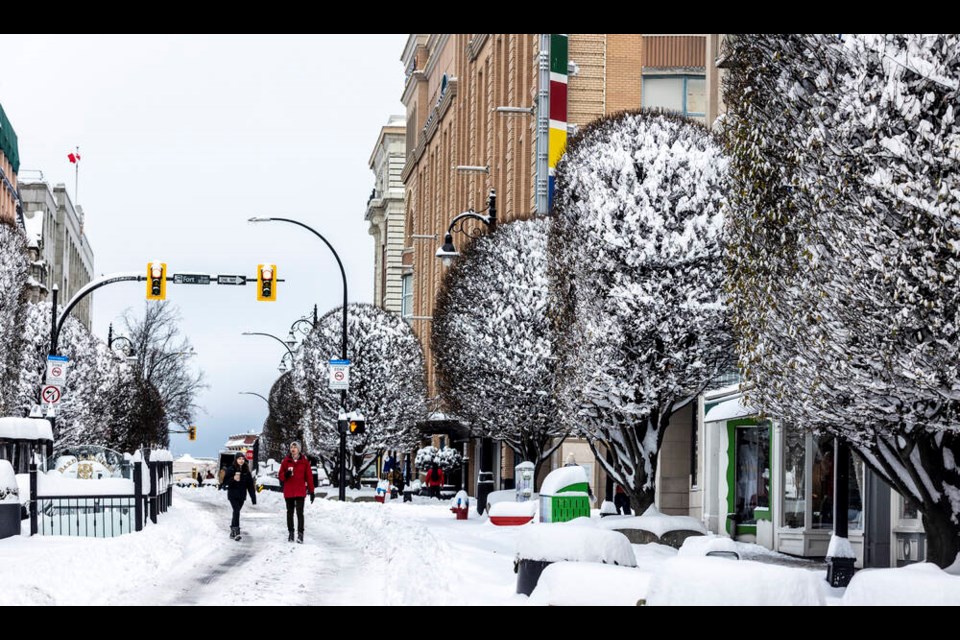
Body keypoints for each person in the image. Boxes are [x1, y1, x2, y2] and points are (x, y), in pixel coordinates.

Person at [279, 441, 314, 543]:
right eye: (291, 447)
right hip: (289, 491)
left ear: (299, 449)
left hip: (300, 491)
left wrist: (311, 491)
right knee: (290, 513)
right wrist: (286, 475)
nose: (293, 449)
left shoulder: (304, 462)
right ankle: (291, 533)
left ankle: (300, 534)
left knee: (300, 513)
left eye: (295, 447)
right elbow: (280, 475)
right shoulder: (286, 461)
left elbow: (309, 477)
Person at [220, 453, 256, 539]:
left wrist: (253, 498)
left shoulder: (246, 471)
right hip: (233, 495)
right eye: (239, 459)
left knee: (236, 512)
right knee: (236, 511)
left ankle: (232, 532)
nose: (241, 460)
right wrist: (233, 479)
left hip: (242, 496)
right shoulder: (230, 469)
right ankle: (236, 532)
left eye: (242, 459)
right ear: (236, 460)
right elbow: (224, 483)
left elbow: (250, 486)